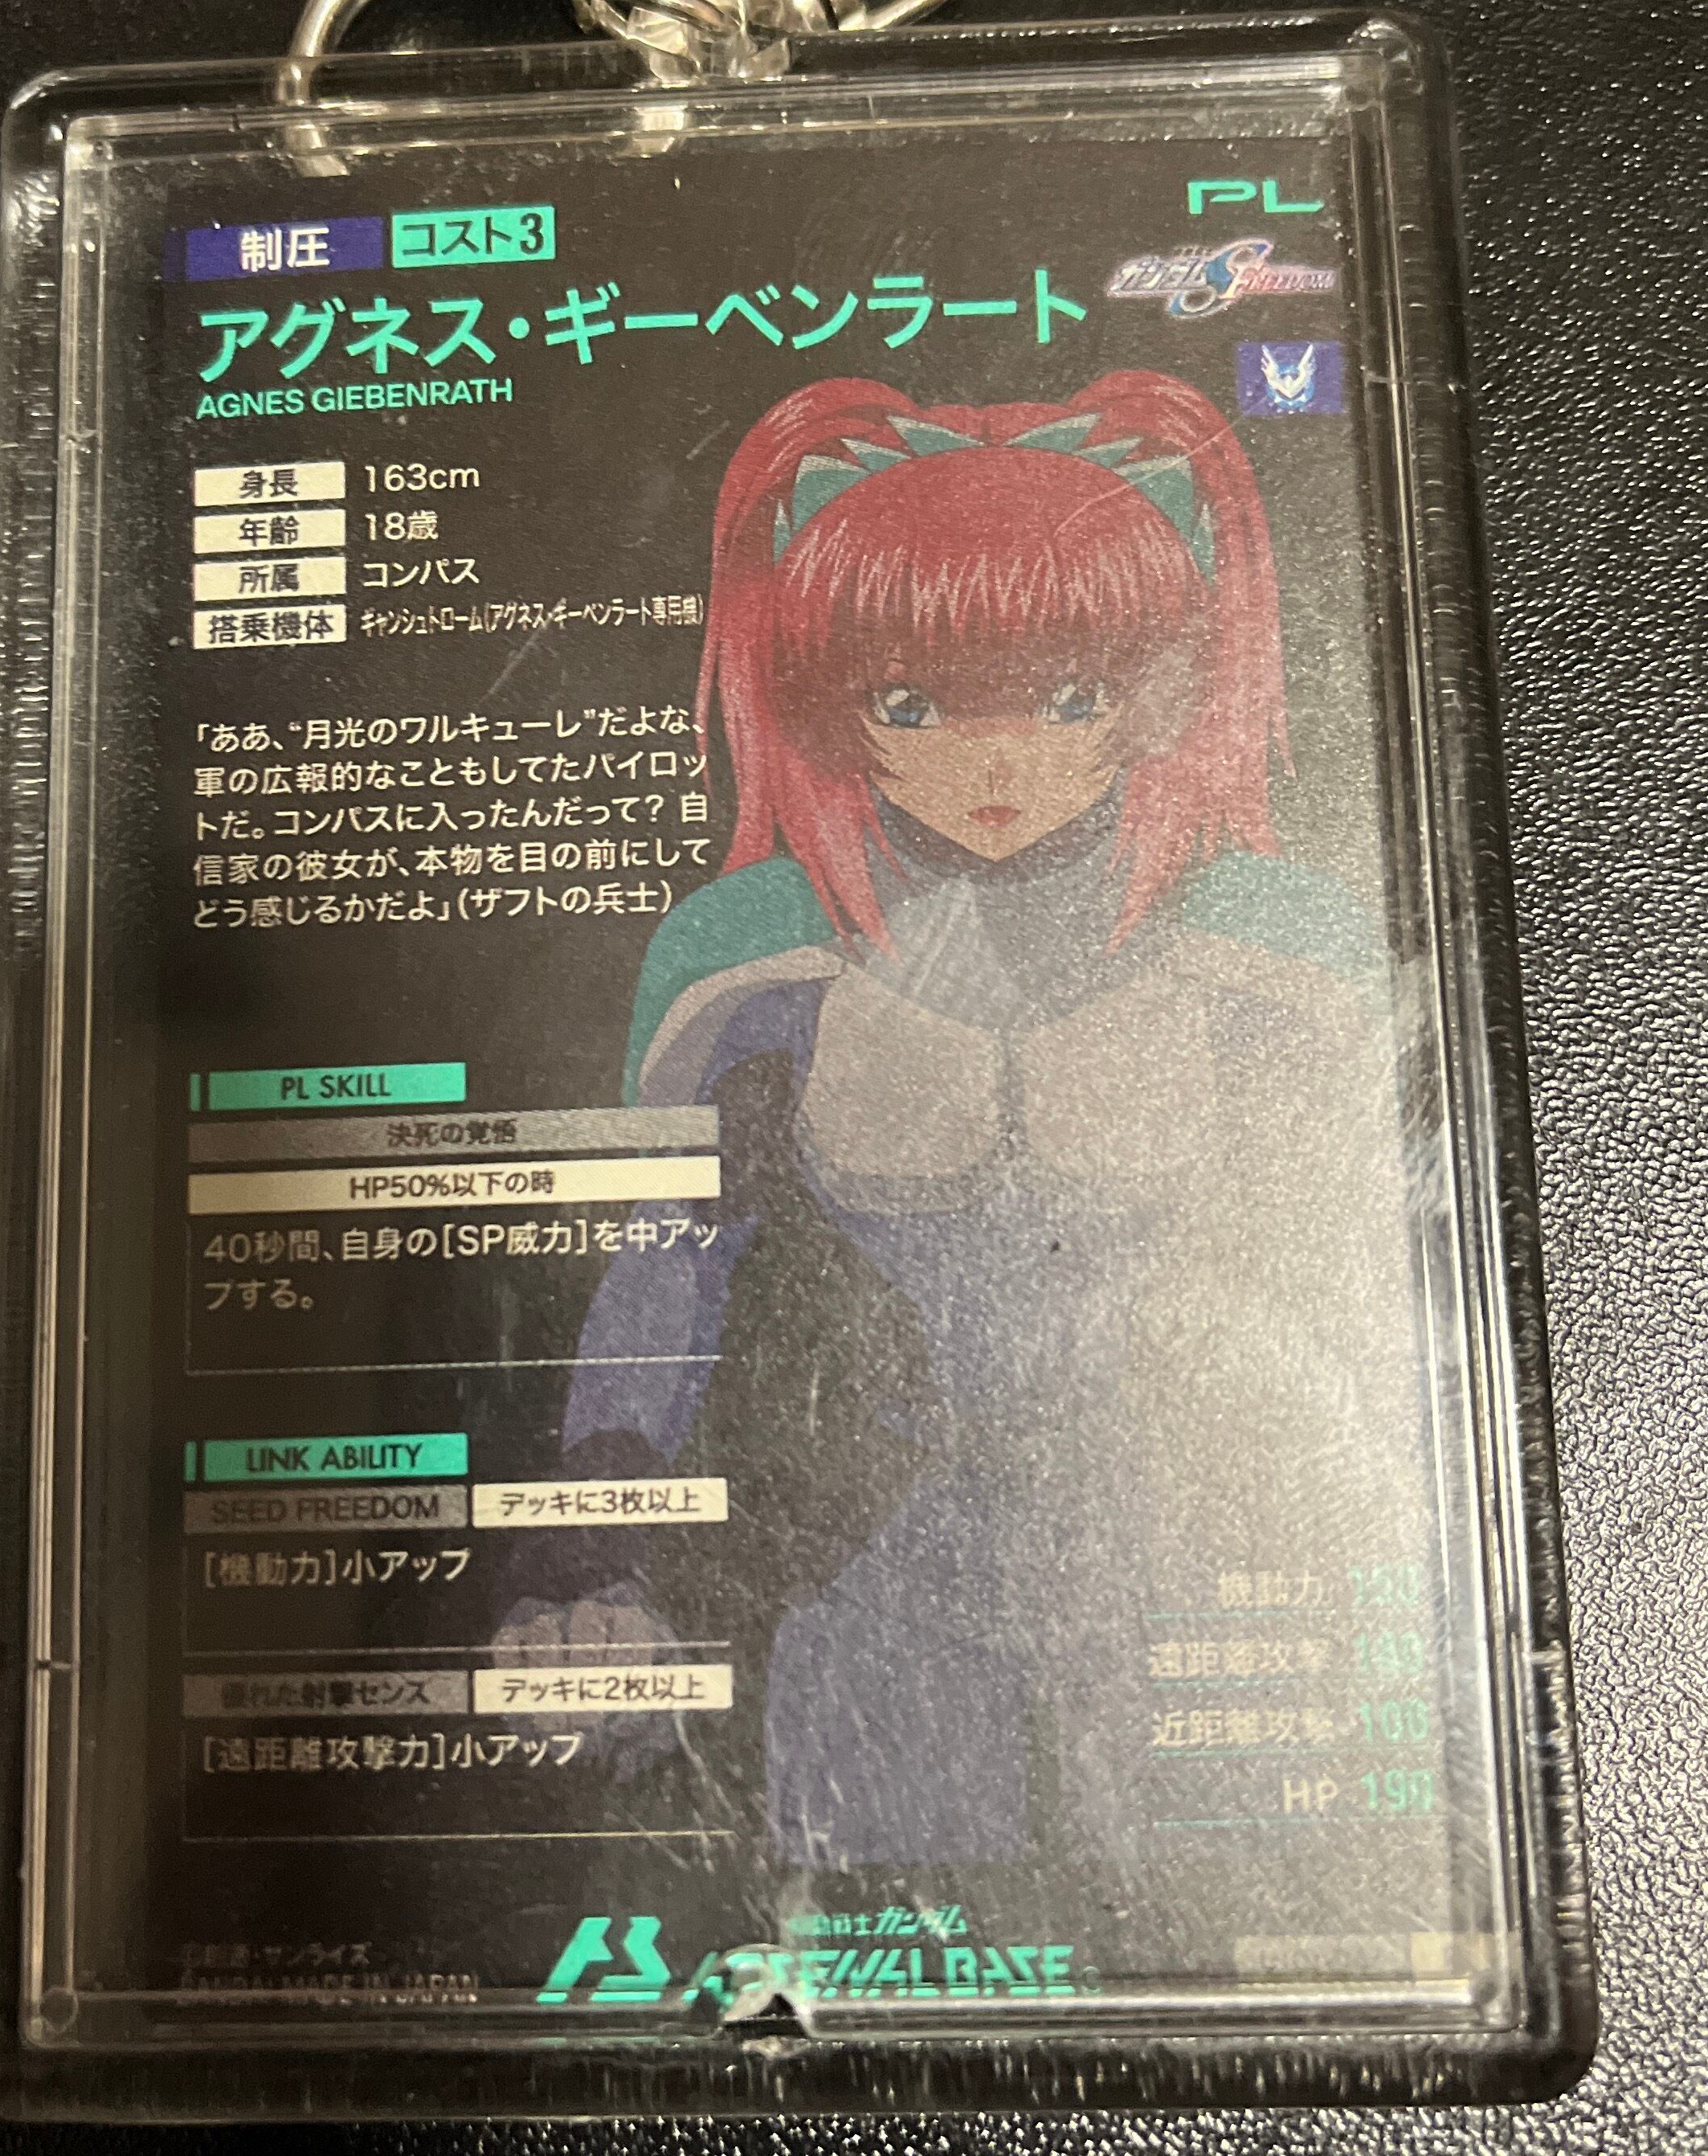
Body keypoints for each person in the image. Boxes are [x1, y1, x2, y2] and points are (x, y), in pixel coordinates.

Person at [500, 372, 1431, 1897]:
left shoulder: (1266, 951)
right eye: (913, 703)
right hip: (883, 1562)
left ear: (1151, 693)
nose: (995, 766)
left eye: (1067, 698)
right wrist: (593, 1553)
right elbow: (663, 1269)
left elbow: (1366, 1265)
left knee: (1252, 1921)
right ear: (832, 700)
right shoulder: (760, 965)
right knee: (889, 1936)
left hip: (1194, 1553)